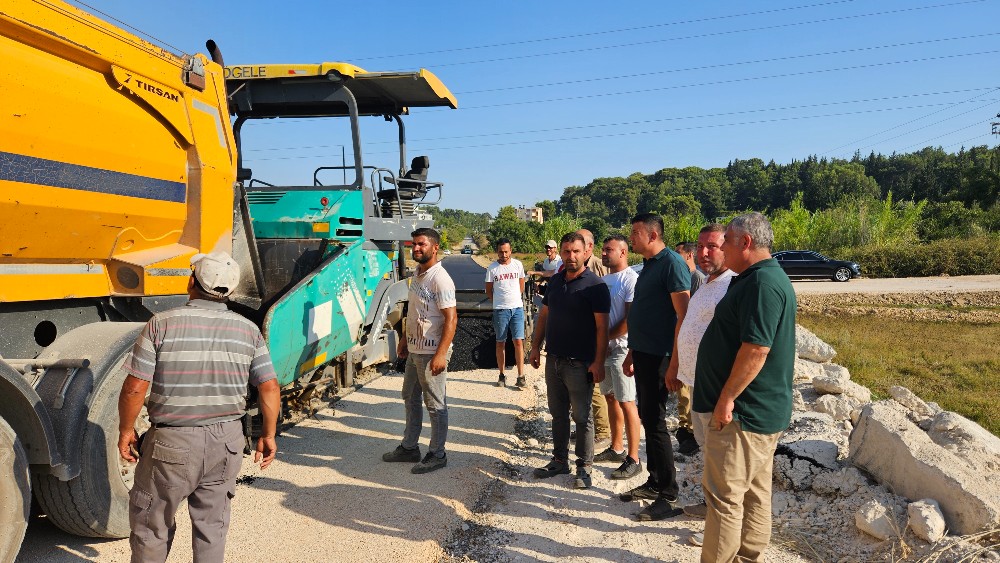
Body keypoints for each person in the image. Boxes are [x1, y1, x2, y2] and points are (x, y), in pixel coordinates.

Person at [117, 251, 280, 563]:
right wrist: (268, 434)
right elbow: (269, 386)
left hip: (172, 443)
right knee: (212, 528)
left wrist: (126, 430)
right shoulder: (248, 330)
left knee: (152, 525)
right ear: (230, 290)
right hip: (227, 443)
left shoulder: (161, 324)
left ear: (191, 281)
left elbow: (135, 386)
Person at [693, 213, 796, 562]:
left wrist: (726, 399)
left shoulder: (762, 283)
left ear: (746, 242)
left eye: (726, 242)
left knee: (724, 497)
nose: (722, 248)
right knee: (754, 492)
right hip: (754, 413)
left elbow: (756, 350)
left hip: (743, 414)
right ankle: (747, 557)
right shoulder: (758, 278)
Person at [619, 213, 689, 522]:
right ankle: (655, 479)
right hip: (644, 353)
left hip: (662, 356)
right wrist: (632, 353)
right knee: (648, 417)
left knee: (656, 421)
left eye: (635, 233)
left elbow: (683, 316)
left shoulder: (671, 263)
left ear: (652, 235)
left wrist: (675, 362)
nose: (631, 237)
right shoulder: (649, 265)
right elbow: (646, 313)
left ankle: (668, 493)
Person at [529, 232, 610, 490]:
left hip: (580, 363)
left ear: (586, 252)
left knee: (583, 417)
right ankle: (559, 461)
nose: (571, 256)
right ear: (561, 253)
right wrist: (535, 347)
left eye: (576, 251)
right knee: (558, 414)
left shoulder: (595, 286)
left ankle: (584, 467)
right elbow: (544, 316)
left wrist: (598, 362)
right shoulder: (555, 282)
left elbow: (603, 328)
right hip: (554, 359)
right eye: (566, 251)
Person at [668, 224, 735, 524]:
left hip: (716, 386)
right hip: (696, 382)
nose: (704, 253)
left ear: (727, 248)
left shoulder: (732, 285)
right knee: (708, 450)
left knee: (721, 455)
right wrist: (678, 367)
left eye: (712, 246)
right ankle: (711, 506)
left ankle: (720, 521)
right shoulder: (707, 283)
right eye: (700, 246)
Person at [383, 228, 458, 474]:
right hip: (415, 349)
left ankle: (437, 454)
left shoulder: (440, 279)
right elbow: (414, 310)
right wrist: (405, 338)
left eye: (421, 244)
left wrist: (441, 354)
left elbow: (451, 319)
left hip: (431, 351)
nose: (416, 248)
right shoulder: (417, 274)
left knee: (435, 404)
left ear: (435, 248)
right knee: (410, 396)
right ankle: (409, 447)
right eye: (414, 244)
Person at [594, 235, 643, 481]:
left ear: (623, 252)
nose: (604, 253)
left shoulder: (631, 279)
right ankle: (616, 448)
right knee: (611, 397)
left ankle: (634, 458)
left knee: (627, 401)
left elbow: (629, 320)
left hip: (621, 349)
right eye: (603, 249)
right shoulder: (604, 280)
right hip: (605, 350)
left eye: (609, 250)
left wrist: (605, 340)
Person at [673, 240, 706, 453]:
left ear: (689, 255)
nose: (675, 257)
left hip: (692, 346)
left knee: (689, 389)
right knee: (682, 389)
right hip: (682, 341)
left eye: (678, 253)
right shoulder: (684, 277)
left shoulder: (697, 278)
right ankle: (685, 427)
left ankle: (692, 431)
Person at [485, 238, 527, 389]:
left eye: (506, 252)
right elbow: (489, 290)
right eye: (501, 252)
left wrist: (514, 298)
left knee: (518, 341)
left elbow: (521, 285)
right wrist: (499, 302)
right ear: (497, 252)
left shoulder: (518, 265)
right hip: (500, 310)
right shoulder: (492, 269)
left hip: (517, 309)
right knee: (500, 342)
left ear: (511, 251)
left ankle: (521, 376)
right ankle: (502, 374)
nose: (504, 255)